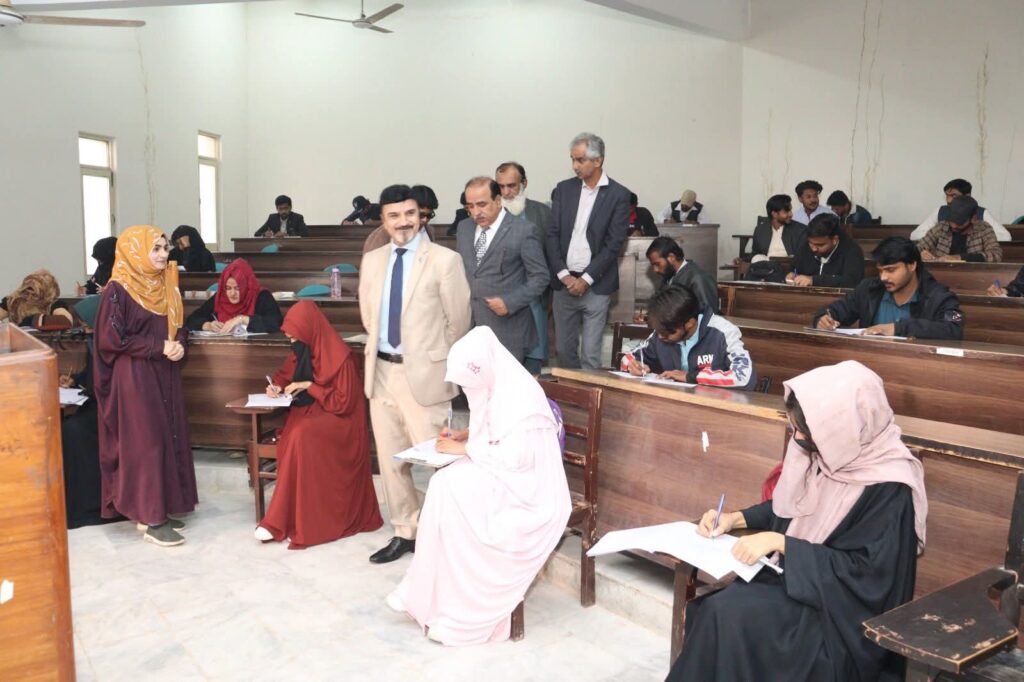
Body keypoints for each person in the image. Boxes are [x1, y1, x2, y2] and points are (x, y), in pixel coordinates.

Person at [666, 361, 927, 682]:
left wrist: (783, 543)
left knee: (728, 616)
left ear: (842, 428)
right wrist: (735, 518)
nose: (797, 438)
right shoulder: (833, 455)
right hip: (801, 586)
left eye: (803, 431)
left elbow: (871, 579)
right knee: (716, 611)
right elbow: (791, 508)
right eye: (794, 429)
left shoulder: (891, 489)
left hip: (842, 621)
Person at [387, 326, 570, 645]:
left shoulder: (521, 395)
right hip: (504, 474)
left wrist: (465, 449)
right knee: (444, 483)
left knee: (455, 493)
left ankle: (465, 615)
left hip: (529, 489)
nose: (469, 391)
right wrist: (466, 435)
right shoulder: (499, 382)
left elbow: (517, 457)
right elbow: (494, 428)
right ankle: (424, 594)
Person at [359, 184, 472, 564]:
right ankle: (405, 531)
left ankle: (448, 536)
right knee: (392, 462)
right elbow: (368, 316)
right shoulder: (373, 260)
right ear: (383, 220)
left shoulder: (444, 260)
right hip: (381, 373)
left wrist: (434, 360)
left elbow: (459, 322)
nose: (403, 222)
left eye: (409, 213)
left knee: (439, 463)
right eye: (394, 215)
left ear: (420, 215)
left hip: (425, 375)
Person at [93, 226, 197, 547]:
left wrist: (179, 344)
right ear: (135, 251)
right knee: (147, 442)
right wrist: (158, 346)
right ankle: (152, 519)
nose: (164, 254)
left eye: (165, 248)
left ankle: (155, 509)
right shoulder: (117, 290)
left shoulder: (165, 283)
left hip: (165, 372)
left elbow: (178, 325)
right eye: (156, 249)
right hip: (135, 376)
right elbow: (111, 339)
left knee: (166, 436)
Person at [256, 301, 383, 548]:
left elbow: (344, 403)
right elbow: (285, 374)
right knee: (296, 434)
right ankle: (282, 519)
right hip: (312, 412)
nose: (293, 342)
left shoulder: (341, 357)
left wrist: (309, 386)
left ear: (309, 331)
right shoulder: (302, 349)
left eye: (295, 337)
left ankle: (299, 522)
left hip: (340, 420)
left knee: (301, 434)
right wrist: (276, 387)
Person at [545, 132, 630, 369]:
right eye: (572, 159)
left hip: (596, 285)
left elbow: (614, 243)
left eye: (580, 160)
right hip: (564, 283)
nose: (575, 166)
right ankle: (571, 392)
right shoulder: (564, 189)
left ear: (598, 160)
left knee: (591, 355)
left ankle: (590, 393)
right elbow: (551, 234)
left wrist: (586, 279)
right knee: (563, 350)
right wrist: (564, 275)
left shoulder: (618, 195)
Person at [455, 176, 548, 364]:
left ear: (498, 201)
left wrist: (510, 302)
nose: (476, 212)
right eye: (470, 206)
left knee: (505, 382)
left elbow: (540, 277)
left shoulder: (523, 230)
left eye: (482, 204)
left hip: (507, 328)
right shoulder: (464, 228)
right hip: (470, 327)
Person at [813, 237, 964, 339]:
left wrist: (897, 329)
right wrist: (823, 318)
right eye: (880, 271)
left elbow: (954, 329)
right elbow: (836, 310)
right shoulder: (869, 289)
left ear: (912, 265)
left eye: (891, 270)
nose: (883, 277)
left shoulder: (939, 297)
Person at [60, 297, 122, 529]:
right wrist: (74, 380)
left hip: (114, 411)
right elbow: (91, 374)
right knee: (68, 428)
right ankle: (73, 501)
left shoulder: (113, 344)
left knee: (74, 430)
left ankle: (91, 506)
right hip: (95, 406)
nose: (85, 329)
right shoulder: (93, 341)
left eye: (87, 324)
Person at [623, 285, 755, 389]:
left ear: (689, 323)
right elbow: (628, 357)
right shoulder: (662, 332)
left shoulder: (723, 332)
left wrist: (691, 377)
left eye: (668, 333)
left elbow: (744, 377)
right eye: (659, 331)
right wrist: (632, 365)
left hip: (714, 406)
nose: (661, 336)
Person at [495, 161, 555, 374]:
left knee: (532, 364)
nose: (506, 192)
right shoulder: (490, 214)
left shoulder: (542, 213)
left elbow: (551, 254)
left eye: (511, 185)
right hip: (501, 300)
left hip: (534, 300)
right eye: (501, 186)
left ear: (524, 183)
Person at [184, 258, 283, 334]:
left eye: (237, 288)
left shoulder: (261, 296)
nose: (232, 293)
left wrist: (242, 319)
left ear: (246, 286)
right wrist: (208, 325)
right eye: (228, 288)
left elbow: (276, 323)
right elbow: (192, 320)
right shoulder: (220, 298)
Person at [910, 178, 1011, 241]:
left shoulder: (981, 213)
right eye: (947, 195)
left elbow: (1005, 237)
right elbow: (915, 235)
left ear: (967, 196)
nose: (949, 200)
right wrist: (941, 237)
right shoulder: (940, 211)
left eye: (954, 196)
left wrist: (978, 237)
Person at [787, 213, 865, 288]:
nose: (813, 248)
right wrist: (792, 274)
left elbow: (851, 281)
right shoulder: (806, 246)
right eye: (811, 243)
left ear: (834, 240)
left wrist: (814, 280)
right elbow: (795, 268)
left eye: (820, 245)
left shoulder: (852, 250)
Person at [916, 195, 1002, 263]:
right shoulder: (941, 227)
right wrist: (921, 253)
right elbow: (918, 247)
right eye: (952, 220)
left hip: (973, 274)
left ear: (973, 218)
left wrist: (959, 258)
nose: (954, 226)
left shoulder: (983, 228)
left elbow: (996, 255)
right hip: (942, 273)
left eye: (959, 223)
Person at [645, 236, 718, 312]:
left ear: (671, 257)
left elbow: (709, 314)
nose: (655, 270)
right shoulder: (668, 276)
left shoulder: (698, 278)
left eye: (657, 264)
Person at [0, 270, 73, 328]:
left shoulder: (53, 304)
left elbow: (66, 321)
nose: (30, 295)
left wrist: (32, 320)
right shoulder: (12, 302)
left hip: (43, 340)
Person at [749, 194, 805, 263]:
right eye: (786, 211)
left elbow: (802, 256)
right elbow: (755, 254)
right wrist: (741, 260)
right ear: (774, 214)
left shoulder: (800, 230)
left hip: (788, 265)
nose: (791, 214)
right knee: (756, 258)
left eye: (790, 210)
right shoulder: (760, 230)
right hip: (765, 265)